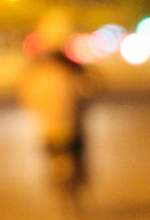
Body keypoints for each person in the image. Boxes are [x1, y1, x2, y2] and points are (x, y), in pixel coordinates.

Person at [18, 48, 93, 209]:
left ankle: (65, 178)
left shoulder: (36, 74)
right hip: (66, 122)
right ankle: (74, 177)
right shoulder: (67, 72)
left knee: (57, 151)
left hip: (52, 123)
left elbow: (26, 97)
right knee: (71, 150)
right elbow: (88, 89)